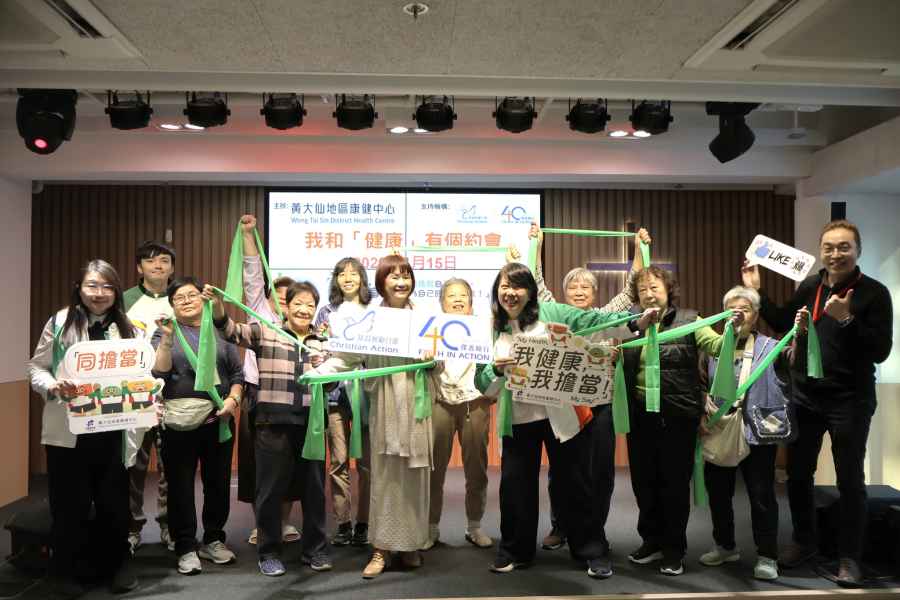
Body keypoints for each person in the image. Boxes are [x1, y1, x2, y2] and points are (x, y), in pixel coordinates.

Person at [477, 262, 653, 578]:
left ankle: (591, 550)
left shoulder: (553, 313)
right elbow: (482, 381)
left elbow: (594, 321)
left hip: (560, 414)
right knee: (515, 487)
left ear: (531, 292)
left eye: (518, 286)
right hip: (517, 420)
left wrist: (634, 322)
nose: (510, 293)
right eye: (504, 286)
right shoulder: (490, 327)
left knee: (577, 484)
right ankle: (515, 550)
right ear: (496, 291)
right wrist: (496, 370)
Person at [742, 219, 893, 587]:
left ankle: (849, 558)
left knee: (850, 479)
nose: (835, 254)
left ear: (858, 251)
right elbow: (781, 322)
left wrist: (847, 319)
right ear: (821, 251)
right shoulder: (811, 286)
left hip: (850, 399)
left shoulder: (874, 293)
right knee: (798, 474)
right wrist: (757, 291)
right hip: (806, 395)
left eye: (844, 247)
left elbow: (881, 351)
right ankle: (804, 542)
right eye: (829, 247)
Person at [513, 224, 650, 555]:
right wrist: (536, 244)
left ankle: (593, 531)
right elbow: (536, 282)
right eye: (572, 286)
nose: (578, 290)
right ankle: (560, 526)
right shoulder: (554, 313)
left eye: (585, 286)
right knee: (562, 471)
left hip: (600, 403)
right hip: (562, 402)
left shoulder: (607, 315)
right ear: (564, 293)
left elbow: (632, 288)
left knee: (600, 470)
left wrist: (639, 249)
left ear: (595, 292)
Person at [305, 254, 435, 579]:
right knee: (385, 477)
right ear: (381, 282)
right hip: (386, 405)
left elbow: (445, 357)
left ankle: (411, 546)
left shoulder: (426, 316)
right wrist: (318, 372)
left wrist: (434, 358)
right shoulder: (371, 318)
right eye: (394, 276)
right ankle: (381, 549)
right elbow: (346, 358)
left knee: (415, 477)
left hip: (417, 407)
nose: (401, 282)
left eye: (406, 275)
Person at [27, 259, 141, 595]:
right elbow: (37, 368)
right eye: (92, 285)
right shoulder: (59, 322)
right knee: (68, 504)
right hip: (69, 430)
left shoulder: (130, 328)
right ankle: (65, 569)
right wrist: (53, 386)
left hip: (114, 429)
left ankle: (116, 565)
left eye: (107, 286)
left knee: (113, 503)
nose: (99, 293)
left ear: (116, 291)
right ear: (79, 288)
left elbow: (142, 375)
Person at [207, 280, 332, 577]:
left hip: (312, 425)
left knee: (314, 492)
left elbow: (332, 386)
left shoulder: (323, 342)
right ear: (286, 307)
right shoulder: (266, 331)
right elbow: (229, 330)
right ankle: (269, 553)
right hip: (272, 423)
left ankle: (315, 550)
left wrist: (323, 369)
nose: (304, 309)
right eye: (298, 303)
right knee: (269, 491)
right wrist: (217, 305)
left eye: (310, 305)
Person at [622, 266, 742, 577]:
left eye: (655, 287)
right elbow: (613, 351)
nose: (649, 294)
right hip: (640, 415)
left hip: (677, 416)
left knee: (673, 486)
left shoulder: (690, 320)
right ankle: (651, 542)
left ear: (668, 290)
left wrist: (732, 329)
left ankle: (673, 550)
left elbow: (717, 346)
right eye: (643, 289)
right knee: (643, 483)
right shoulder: (630, 323)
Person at [699, 286, 807, 581]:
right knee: (718, 493)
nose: (738, 315)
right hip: (721, 428)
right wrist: (702, 399)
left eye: (745, 310)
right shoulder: (714, 346)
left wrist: (799, 335)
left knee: (761, 495)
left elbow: (795, 361)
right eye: (732, 310)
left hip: (758, 431)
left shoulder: (771, 346)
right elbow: (700, 381)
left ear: (756, 315)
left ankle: (767, 555)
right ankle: (724, 546)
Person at [152, 276, 243, 576]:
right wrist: (167, 339)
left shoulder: (219, 331)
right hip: (179, 423)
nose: (187, 301)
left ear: (203, 299)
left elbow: (237, 374)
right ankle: (186, 547)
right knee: (179, 486)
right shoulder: (165, 331)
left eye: (192, 295)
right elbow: (159, 373)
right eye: (179, 298)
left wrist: (233, 400)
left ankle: (213, 539)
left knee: (218, 483)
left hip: (218, 419)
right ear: (172, 305)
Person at [234, 215, 300, 546]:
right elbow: (252, 276)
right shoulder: (261, 315)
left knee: (290, 465)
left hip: (293, 399)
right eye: (279, 295)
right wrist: (249, 235)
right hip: (257, 397)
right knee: (257, 466)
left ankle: (284, 522)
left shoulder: (304, 326)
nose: (284, 300)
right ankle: (262, 524)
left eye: (292, 297)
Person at [425, 278, 493, 550]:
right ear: (442, 302)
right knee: (434, 469)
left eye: (463, 295)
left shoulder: (483, 327)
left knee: (477, 469)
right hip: (440, 401)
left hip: (475, 403)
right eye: (451, 295)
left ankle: (474, 526)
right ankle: (430, 527)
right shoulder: (431, 327)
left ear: (471, 302)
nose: (457, 299)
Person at [313, 257, 373, 548]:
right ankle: (343, 523)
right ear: (336, 280)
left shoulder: (375, 311)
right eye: (342, 274)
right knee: (338, 461)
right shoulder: (326, 312)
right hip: (336, 394)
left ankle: (364, 523)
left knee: (367, 464)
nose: (348, 278)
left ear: (362, 278)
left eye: (354, 273)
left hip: (368, 393)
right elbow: (316, 346)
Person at [124, 240, 176, 552]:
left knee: (172, 466)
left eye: (164, 260)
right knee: (133, 464)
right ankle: (131, 528)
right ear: (139, 267)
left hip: (173, 393)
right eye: (150, 260)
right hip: (134, 394)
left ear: (172, 268)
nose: (158, 265)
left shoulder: (181, 297)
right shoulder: (124, 299)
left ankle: (170, 526)